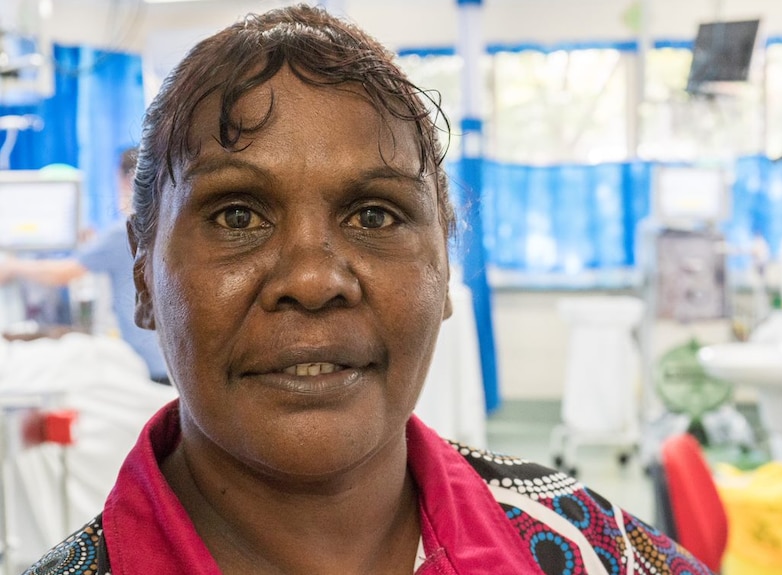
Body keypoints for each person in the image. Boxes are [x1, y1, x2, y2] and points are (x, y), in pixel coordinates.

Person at [24, 5, 711, 574]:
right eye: (237, 215)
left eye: (374, 215)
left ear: (443, 265)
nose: (315, 278)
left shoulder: (601, 549)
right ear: (144, 275)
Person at [0, 147, 170, 384]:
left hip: (152, 362)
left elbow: (62, 273)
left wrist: (12, 267)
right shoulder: (160, 224)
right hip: (166, 353)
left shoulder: (124, 231)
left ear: (131, 179)